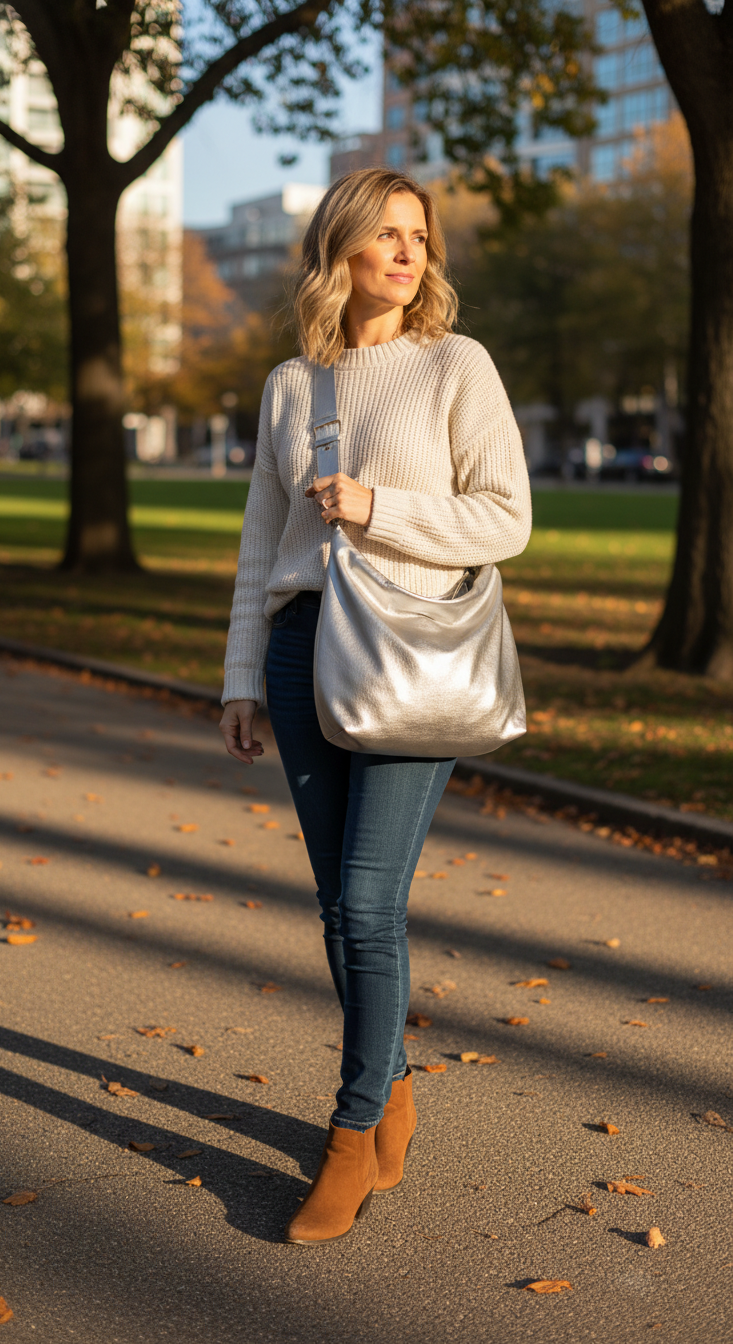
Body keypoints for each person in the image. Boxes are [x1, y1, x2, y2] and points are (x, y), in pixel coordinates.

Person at [220, 167, 531, 1245]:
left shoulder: (457, 365)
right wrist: (239, 676)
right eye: (385, 234)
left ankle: (351, 1133)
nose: (407, 252)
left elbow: (506, 518)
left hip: (413, 652)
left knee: (364, 904)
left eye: (418, 236)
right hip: (304, 651)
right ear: (339, 248)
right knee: (337, 907)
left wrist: (376, 507)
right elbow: (264, 546)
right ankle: (392, 1084)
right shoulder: (291, 386)